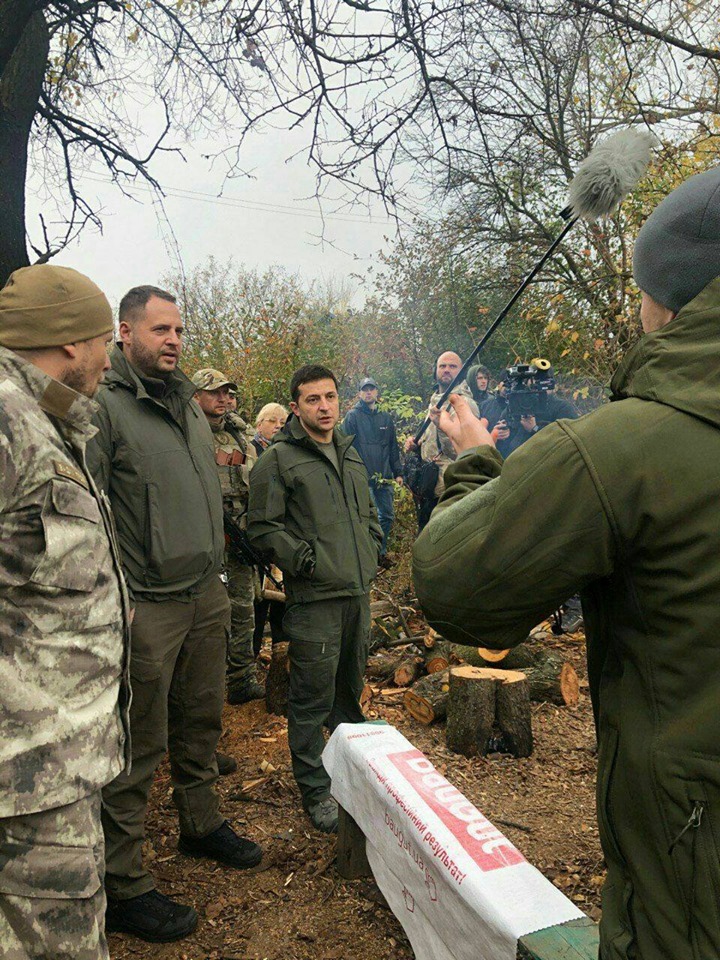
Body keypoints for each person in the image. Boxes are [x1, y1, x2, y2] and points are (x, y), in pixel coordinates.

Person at [412, 167, 720, 960]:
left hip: (691, 878)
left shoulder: (624, 447)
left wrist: (474, 463)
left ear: (669, 301)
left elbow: (456, 586)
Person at [87, 286, 262, 944]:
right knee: (139, 743)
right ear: (125, 332)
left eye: (180, 330)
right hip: (148, 604)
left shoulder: (188, 402)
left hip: (204, 592)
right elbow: (89, 509)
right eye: (160, 329)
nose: (174, 340)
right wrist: (120, 602)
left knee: (202, 720)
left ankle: (201, 822)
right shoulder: (104, 406)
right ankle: (123, 882)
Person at [0, 265, 131, 960]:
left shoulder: (46, 419)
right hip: (28, 772)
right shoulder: (6, 421)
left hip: (53, 763)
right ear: (71, 342)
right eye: (105, 341)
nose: (109, 359)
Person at [248, 364, 383, 833]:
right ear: (295, 407)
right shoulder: (278, 460)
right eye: (313, 399)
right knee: (310, 702)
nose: (324, 407)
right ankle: (315, 789)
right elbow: (261, 527)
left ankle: (350, 778)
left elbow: (367, 511)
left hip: (356, 595)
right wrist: (303, 560)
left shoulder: (349, 450)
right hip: (315, 601)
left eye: (330, 397)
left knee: (348, 694)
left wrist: (373, 544)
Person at [192, 367, 264, 705]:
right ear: (195, 396)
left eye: (227, 392)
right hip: (202, 538)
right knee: (205, 616)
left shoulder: (239, 433)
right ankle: (203, 685)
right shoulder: (187, 433)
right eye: (214, 392)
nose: (223, 398)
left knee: (243, 608)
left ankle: (240, 679)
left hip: (239, 536)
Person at [404, 351, 480, 530]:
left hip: (451, 490)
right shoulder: (435, 401)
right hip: (430, 488)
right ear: (435, 371)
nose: (446, 370)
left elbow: (466, 451)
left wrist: (442, 427)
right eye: (442, 366)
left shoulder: (464, 404)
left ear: (461, 372)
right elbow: (430, 442)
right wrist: (416, 445)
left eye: (453, 366)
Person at [342, 376, 403, 563]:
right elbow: (345, 447)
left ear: (377, 392)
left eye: (371, 389)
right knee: (367, 518)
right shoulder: (352, 417)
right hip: (363, 477)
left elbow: (393, 447)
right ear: (359, 393)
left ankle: (379, 552)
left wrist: (398, 472)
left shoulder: (385, 416)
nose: (368, 393)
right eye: (365, 389)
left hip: (384, 476)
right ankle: (366, 556)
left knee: (387, 515)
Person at [250, 402, 289, 654]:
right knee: (257, 601)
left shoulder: (286, 451)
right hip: (256, 535)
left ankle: (280, 655)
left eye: (282, 423)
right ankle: (251, 656)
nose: (277, 426)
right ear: (259, 424)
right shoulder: (250, 450)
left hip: (282, 533)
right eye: (272, 421)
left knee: (281, 600)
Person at [480, 362, 578, 458]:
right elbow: (504, 440)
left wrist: (535, 429)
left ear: (552, 383)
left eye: (544, 379)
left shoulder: (562, 408)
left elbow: (569, 442)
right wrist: (502, 433)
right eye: (535, 379)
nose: (538, 384)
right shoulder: (519, 403)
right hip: (516, 460)